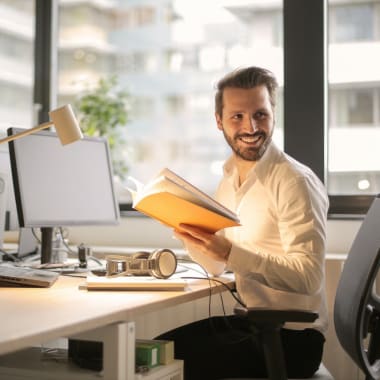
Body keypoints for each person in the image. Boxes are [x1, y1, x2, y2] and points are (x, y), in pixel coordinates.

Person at [155, 66, 329, 380]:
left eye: (260, 114)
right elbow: (217, 267)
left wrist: (230, 253)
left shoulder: (294, 181)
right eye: (237, 116)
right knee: (153, 350)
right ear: (218, 121)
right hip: (253, 326)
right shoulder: (229, 179)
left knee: (156, 364)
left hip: (292, 340)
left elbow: (309, 277)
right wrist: (187, 232)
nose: (251, 127)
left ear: (273, 113)